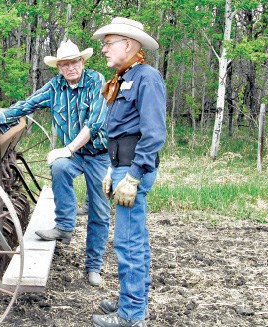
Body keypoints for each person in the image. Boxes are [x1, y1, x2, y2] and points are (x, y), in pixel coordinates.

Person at [0, 39, 111, 287]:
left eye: (74, 62)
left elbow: (95, 123)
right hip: (75, 155)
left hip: (100, 153)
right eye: (64, 64)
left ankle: (93, 266)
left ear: (82, 62)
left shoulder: (96, 81)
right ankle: (65, 226)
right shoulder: (55, 87)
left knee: (99, 211)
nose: (70, 68)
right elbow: (27, 105)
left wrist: (67, 148)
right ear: (58, 67)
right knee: (59, 168)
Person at [90, 17, 167, 327]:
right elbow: (119, 132)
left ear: (128, 44)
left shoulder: (147, 78)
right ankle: (132, 301)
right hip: (122, 166)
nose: (104, 49)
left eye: (109, 43)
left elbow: (153, 133)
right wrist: (112, 169)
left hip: (134, 169)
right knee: (133, 241)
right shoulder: (124, 78)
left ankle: (132, 316)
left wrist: (133, 176)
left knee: (128, 243)